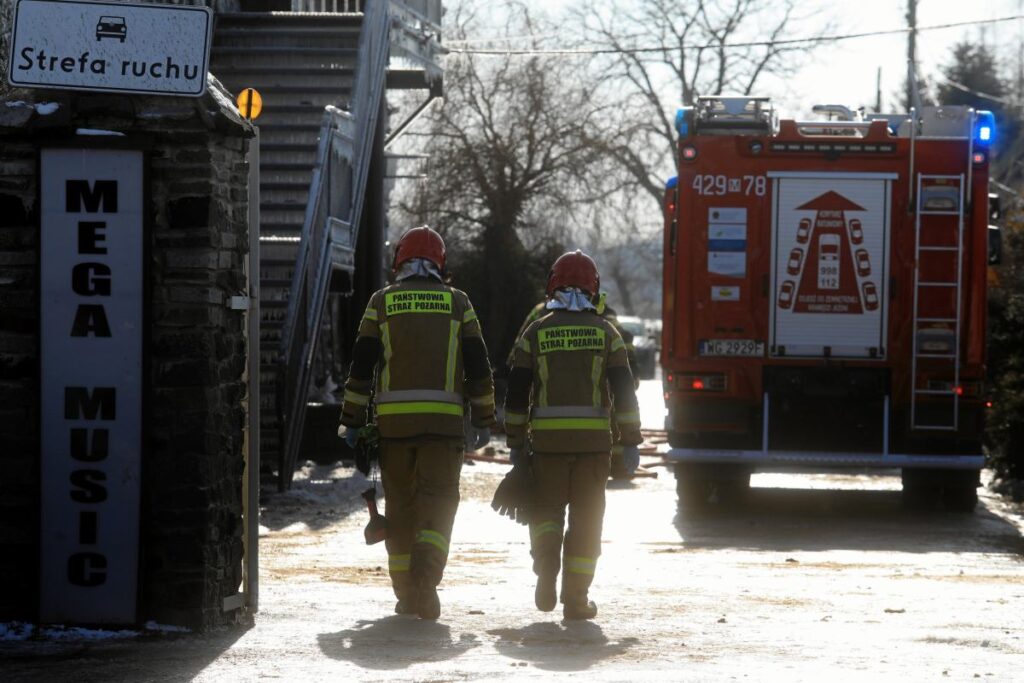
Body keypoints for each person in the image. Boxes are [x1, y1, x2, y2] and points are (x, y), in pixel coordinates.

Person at [339, 226, 495, 620]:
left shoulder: (381, 303)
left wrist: (352, 422)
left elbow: (361, 367)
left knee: (402, 510)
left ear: (399, 262)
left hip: (394, 431)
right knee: (438, 505)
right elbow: (479, 366)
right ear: (441, 264)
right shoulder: (459, 303)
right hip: (443, 431)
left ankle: (407, 593)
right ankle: (426, 579)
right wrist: (483, 417)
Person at [503, 250, 642, 620]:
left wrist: (515, 443)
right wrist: (630, 441)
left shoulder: (535, 331)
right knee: (587, 521)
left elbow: (516, 393)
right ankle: (576, 600)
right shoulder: (607, 333)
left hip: (546, 447)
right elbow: (624, 393)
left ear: (553, 284)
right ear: (594, 288)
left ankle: (546, 568)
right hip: (594, 449)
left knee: (545, 513)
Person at [508, 294, 641, 480]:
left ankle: (619, 465)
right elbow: (623, 348)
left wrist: (516, 441)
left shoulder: (538, 317)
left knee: (548, 502)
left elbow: (518, 361)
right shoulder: (605, 320)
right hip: (594, 437)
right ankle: (620, 467)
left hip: (546, 439)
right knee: (609, 416)